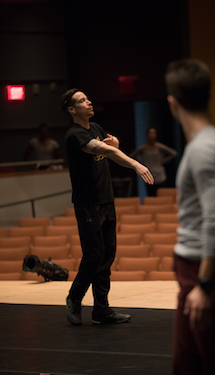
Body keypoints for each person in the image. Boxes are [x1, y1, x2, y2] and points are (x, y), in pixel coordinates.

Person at [165, 59, 215, 375]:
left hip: (205, 271)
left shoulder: (204, 150)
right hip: (196, 270)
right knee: (188, 365)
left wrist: (205, 283)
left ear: (173, 103)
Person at [60, 88, 154, 326]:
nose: (89, 102)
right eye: (82, 100)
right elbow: (105, 149)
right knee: (93, 256)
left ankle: (101, 310)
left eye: (88, 98)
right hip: (88, 203)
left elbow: (111, 142)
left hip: (106, 200)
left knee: (107, 257)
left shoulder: (96, 128)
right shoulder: (74, 135)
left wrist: (116, 142)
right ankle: (74, 298)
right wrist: (135, 164)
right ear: (72, 109)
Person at [131, 127, 177, 196]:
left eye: (153, 133)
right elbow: (132, 156)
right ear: (147, 135)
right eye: (150, 133)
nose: (152, 135)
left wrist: (162, 161)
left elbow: (173, 153)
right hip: (148, 175)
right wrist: (141, 163)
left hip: (160, 176)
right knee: (151, 197)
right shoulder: (143, 148)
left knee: (162, 197)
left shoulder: (159, 147)